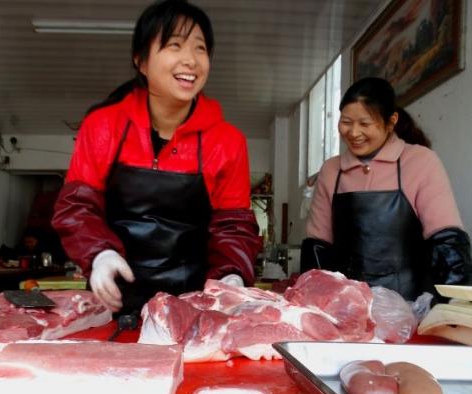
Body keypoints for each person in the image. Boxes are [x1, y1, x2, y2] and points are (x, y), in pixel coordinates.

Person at [52, 0, 260, 313]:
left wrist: (232, 274)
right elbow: (77, 208)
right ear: (142, 61)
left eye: (200, 48)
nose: (190, 60)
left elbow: (233, 227)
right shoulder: (102, 126)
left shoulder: (228, 141)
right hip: (112, 298)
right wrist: (99, 255)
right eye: (174, 45)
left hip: (192, 306)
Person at [301, 77, 472, 300]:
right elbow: (318, 247)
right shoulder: (331, 170)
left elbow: (448, 244)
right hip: (346, 309)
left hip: (411, 307)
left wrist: (450, 310)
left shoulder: (420, 161)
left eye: (364, 124)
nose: (353, 132)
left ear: (391, 122)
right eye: (346, 122)